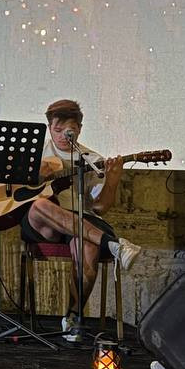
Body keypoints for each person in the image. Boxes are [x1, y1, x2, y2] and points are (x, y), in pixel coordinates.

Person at [19, 99, 142, 342]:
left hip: (81, 220)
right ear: (49, 128)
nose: (63, 136)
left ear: (79, 129)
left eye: (70, 131)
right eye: (57, 130)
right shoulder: (34, 155)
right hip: (45, 224)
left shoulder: (91, 158)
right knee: (40, 205)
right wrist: (31, 173)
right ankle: (113, 245)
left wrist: (112, 181)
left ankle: (73, 316)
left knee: (88, 249)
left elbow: (99, 208)